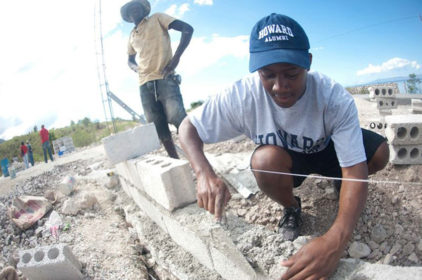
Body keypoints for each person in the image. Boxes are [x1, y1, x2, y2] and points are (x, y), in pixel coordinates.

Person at [179, 14, 389, 280]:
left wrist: (336, 241)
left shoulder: (333, 97)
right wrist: (203, 173)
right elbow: (188, 127)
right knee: (263, 162)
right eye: (268, 76)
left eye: (291, 74)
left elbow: (355, 167)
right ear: (255, 70)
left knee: (380, 152)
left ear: (308, 63)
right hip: (288, 158)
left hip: (330, 149)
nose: (280, 86)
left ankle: (341, 187)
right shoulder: (242, 96)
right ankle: (292, 207)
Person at [121, 0, 193, 159]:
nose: (134, 10)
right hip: (144, 84)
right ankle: (176, 162)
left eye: (137, 7)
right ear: (128, 16)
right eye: (130, 9)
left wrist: (176, 59)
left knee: (179, 120)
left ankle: (197, 160)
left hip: (165, 77)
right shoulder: (132, 35)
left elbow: (187, 29)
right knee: (158, 127)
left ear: (143, 10)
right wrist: (136, 68)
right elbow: (130, 60)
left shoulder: (157, 18)